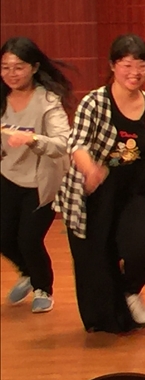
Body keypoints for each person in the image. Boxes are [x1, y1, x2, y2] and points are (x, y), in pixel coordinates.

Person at [54, 34, 145, 333]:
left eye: (141, 65)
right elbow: (77, 143)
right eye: (126, 64)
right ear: (113, 66)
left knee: (138, 249)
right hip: (98, 191)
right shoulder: (94, 103)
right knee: (98, 257)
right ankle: (108, 314)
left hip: (137, 188)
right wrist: (91, 170)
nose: (134, 72)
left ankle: (132, 290)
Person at [1, 37, 73, 313]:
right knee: (4, 237)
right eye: (5, 67)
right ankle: (28, 274)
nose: (11, 74)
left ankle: (43, 287)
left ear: (34, 67)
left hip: (40, 181)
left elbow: (62, 143)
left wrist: (32, 139)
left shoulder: (47, 101)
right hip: (7, 175)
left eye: (18, 67)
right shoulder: (1, 98)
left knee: (29, 239)